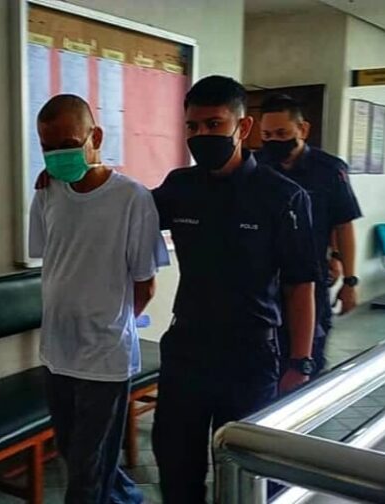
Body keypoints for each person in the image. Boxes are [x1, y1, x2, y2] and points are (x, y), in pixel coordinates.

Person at [150, 76, 320, 504]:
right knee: (175, 464)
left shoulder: (282, 197)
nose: (201, 135)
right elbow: (124, 211)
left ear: (243, 128)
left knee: (246, 473)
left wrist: (300, 361)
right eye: (193, 127)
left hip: (249, 356)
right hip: (187, 349)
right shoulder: (180, 187)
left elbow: (300, 285)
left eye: (214, 124)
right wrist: (74, 180)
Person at [29, 94, 167, 504]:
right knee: (72, 451)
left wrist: (111, 323)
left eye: (68, 144)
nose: (58, 155)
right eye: (48, 147)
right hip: (57, 350)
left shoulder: (132, 198)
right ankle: (126, 498)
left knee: (87, 470)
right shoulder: (47, 192)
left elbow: (145, 284)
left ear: (96, 137)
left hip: (105, 356)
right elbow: (53, 262)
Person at [257, 93, 363, 374]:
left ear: (302, 129)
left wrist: (349, 280)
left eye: (282, 133)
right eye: (267, 135)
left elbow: (343, 224)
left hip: (311, 280)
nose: (274, 141)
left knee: (307, 359)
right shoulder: (256, 166)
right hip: (263, 281)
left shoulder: (329, 170)